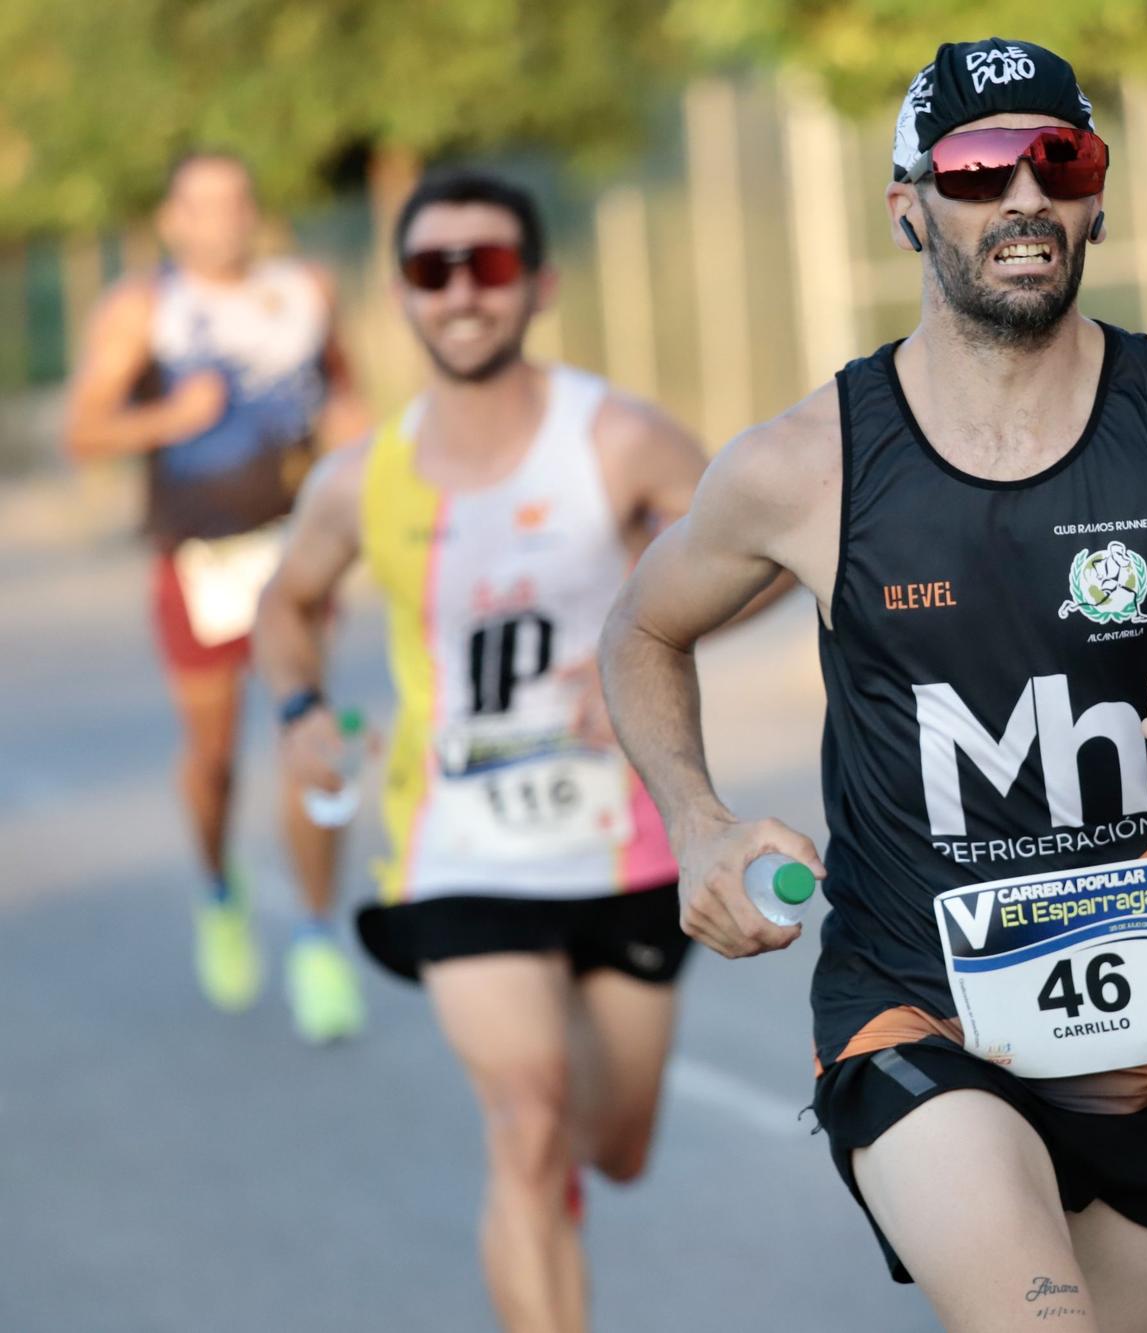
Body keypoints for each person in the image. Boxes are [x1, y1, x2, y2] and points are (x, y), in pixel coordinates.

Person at [602, 37, 1147, 1333]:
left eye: (1058, 159)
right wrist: (692, 820)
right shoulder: (807, 465)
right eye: (978, 168)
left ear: (1095, 194)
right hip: (912, 1015)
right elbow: (639, 630)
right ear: (909, 206)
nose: (1022, 195)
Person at [254, 170, 710, 1333]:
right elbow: (287, 602)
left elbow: (748, 547)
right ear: (402, 296)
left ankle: (563, 1155)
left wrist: (642, 659)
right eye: (431, 269)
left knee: (615, 1147)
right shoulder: (364, 478)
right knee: (523, 1119)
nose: (462, 292)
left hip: (626, 846)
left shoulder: (612, 437)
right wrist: (301, 711)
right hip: (456, 844)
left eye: (490, 265)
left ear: (538, 286)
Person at [62, 149, 373, 1039]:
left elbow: (344, 397)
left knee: (308, 730)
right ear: (173, 220)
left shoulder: (303, 288)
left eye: (237, 202)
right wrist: (170, 416)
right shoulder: (143, 308)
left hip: (294, 550)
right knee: (215, 759)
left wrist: (366, 456)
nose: (224, 220)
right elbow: (84, 427)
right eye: (203, 206)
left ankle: (317, 941)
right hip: (198, 561)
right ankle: (218, 885)